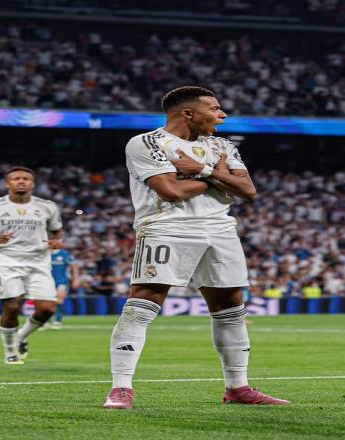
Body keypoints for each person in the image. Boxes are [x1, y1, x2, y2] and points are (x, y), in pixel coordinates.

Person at [103, 86, 289, 409]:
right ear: (188, 113)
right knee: (143, 301)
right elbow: (171, 191)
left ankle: (238, 388)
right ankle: (121, 388)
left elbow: (247, 189)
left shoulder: (221, 145)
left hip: (220, 230)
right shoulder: (147, 142)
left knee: (230, 305)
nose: (222, 115)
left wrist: (202, 170)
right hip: (166, 227)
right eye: (214, 109)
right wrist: (219, 178)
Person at [0, 166, 63, 364]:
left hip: (38, 261)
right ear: (7, 183)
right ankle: (10, 352)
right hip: (4, 260)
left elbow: (56, 231)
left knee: (48, 309)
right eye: (16, 178)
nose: (21, 181)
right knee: (12, 306)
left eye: (25, 179)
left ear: (32, 184)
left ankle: (20, 337)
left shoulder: (48, 207)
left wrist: (56, 241)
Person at [49, 248, 80, 328]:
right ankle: (46, 321)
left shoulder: (63, 254)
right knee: (48, 301)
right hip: (48, 281)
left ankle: (57, 321)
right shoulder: (45, 254)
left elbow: (73, 266)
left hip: (61, 281)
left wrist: (76, 279)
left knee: (59, 300)